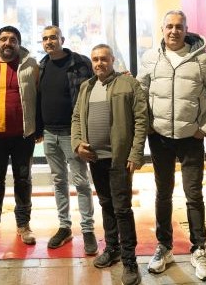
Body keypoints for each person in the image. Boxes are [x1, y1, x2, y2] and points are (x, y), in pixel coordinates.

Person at [137, 9, 206, 281]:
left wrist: (205, 127)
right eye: (169, 26)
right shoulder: (150, 57)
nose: (174, 31)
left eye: (179, 26)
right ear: (162, 29)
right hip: (160, 137)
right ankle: (164, 247)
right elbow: (141, 93)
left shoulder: (203, 59)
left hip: (191, 138)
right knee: (163, 193)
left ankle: (199, 249)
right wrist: (148, 123)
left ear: (186, 29)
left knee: (193, 194)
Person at [72, 44, 147, 285]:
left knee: (122, 208)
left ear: (112, 60)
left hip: (119, 159)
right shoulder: (87, 86)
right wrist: (77, 144)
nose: (99, 63)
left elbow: (141, 119)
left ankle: (129, 260)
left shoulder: (128, 84)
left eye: (104, 59)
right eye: (95, 59)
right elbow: (76, 118)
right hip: (95, 159)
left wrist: (135, 153)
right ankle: (112, 248)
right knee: (106, 204)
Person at [0, 25, 40, 246]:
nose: (7, 43)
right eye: (3, 39)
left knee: (23, 180)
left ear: (19, 43)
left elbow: (39, 96)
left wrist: (38, 128)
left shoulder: (31, 65)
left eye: (12, 39)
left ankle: (23, 225)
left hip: (23, 135)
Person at [37, 25, 97, 254]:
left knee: (81, 182)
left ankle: (88, 229)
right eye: (45, 38)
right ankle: (64, 226)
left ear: (62, 39)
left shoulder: (80, 63)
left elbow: (95, 88)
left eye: (53, 37)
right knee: (58, 181)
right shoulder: (41, 66)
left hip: (72, 133)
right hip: (49, 133)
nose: (49, 41)